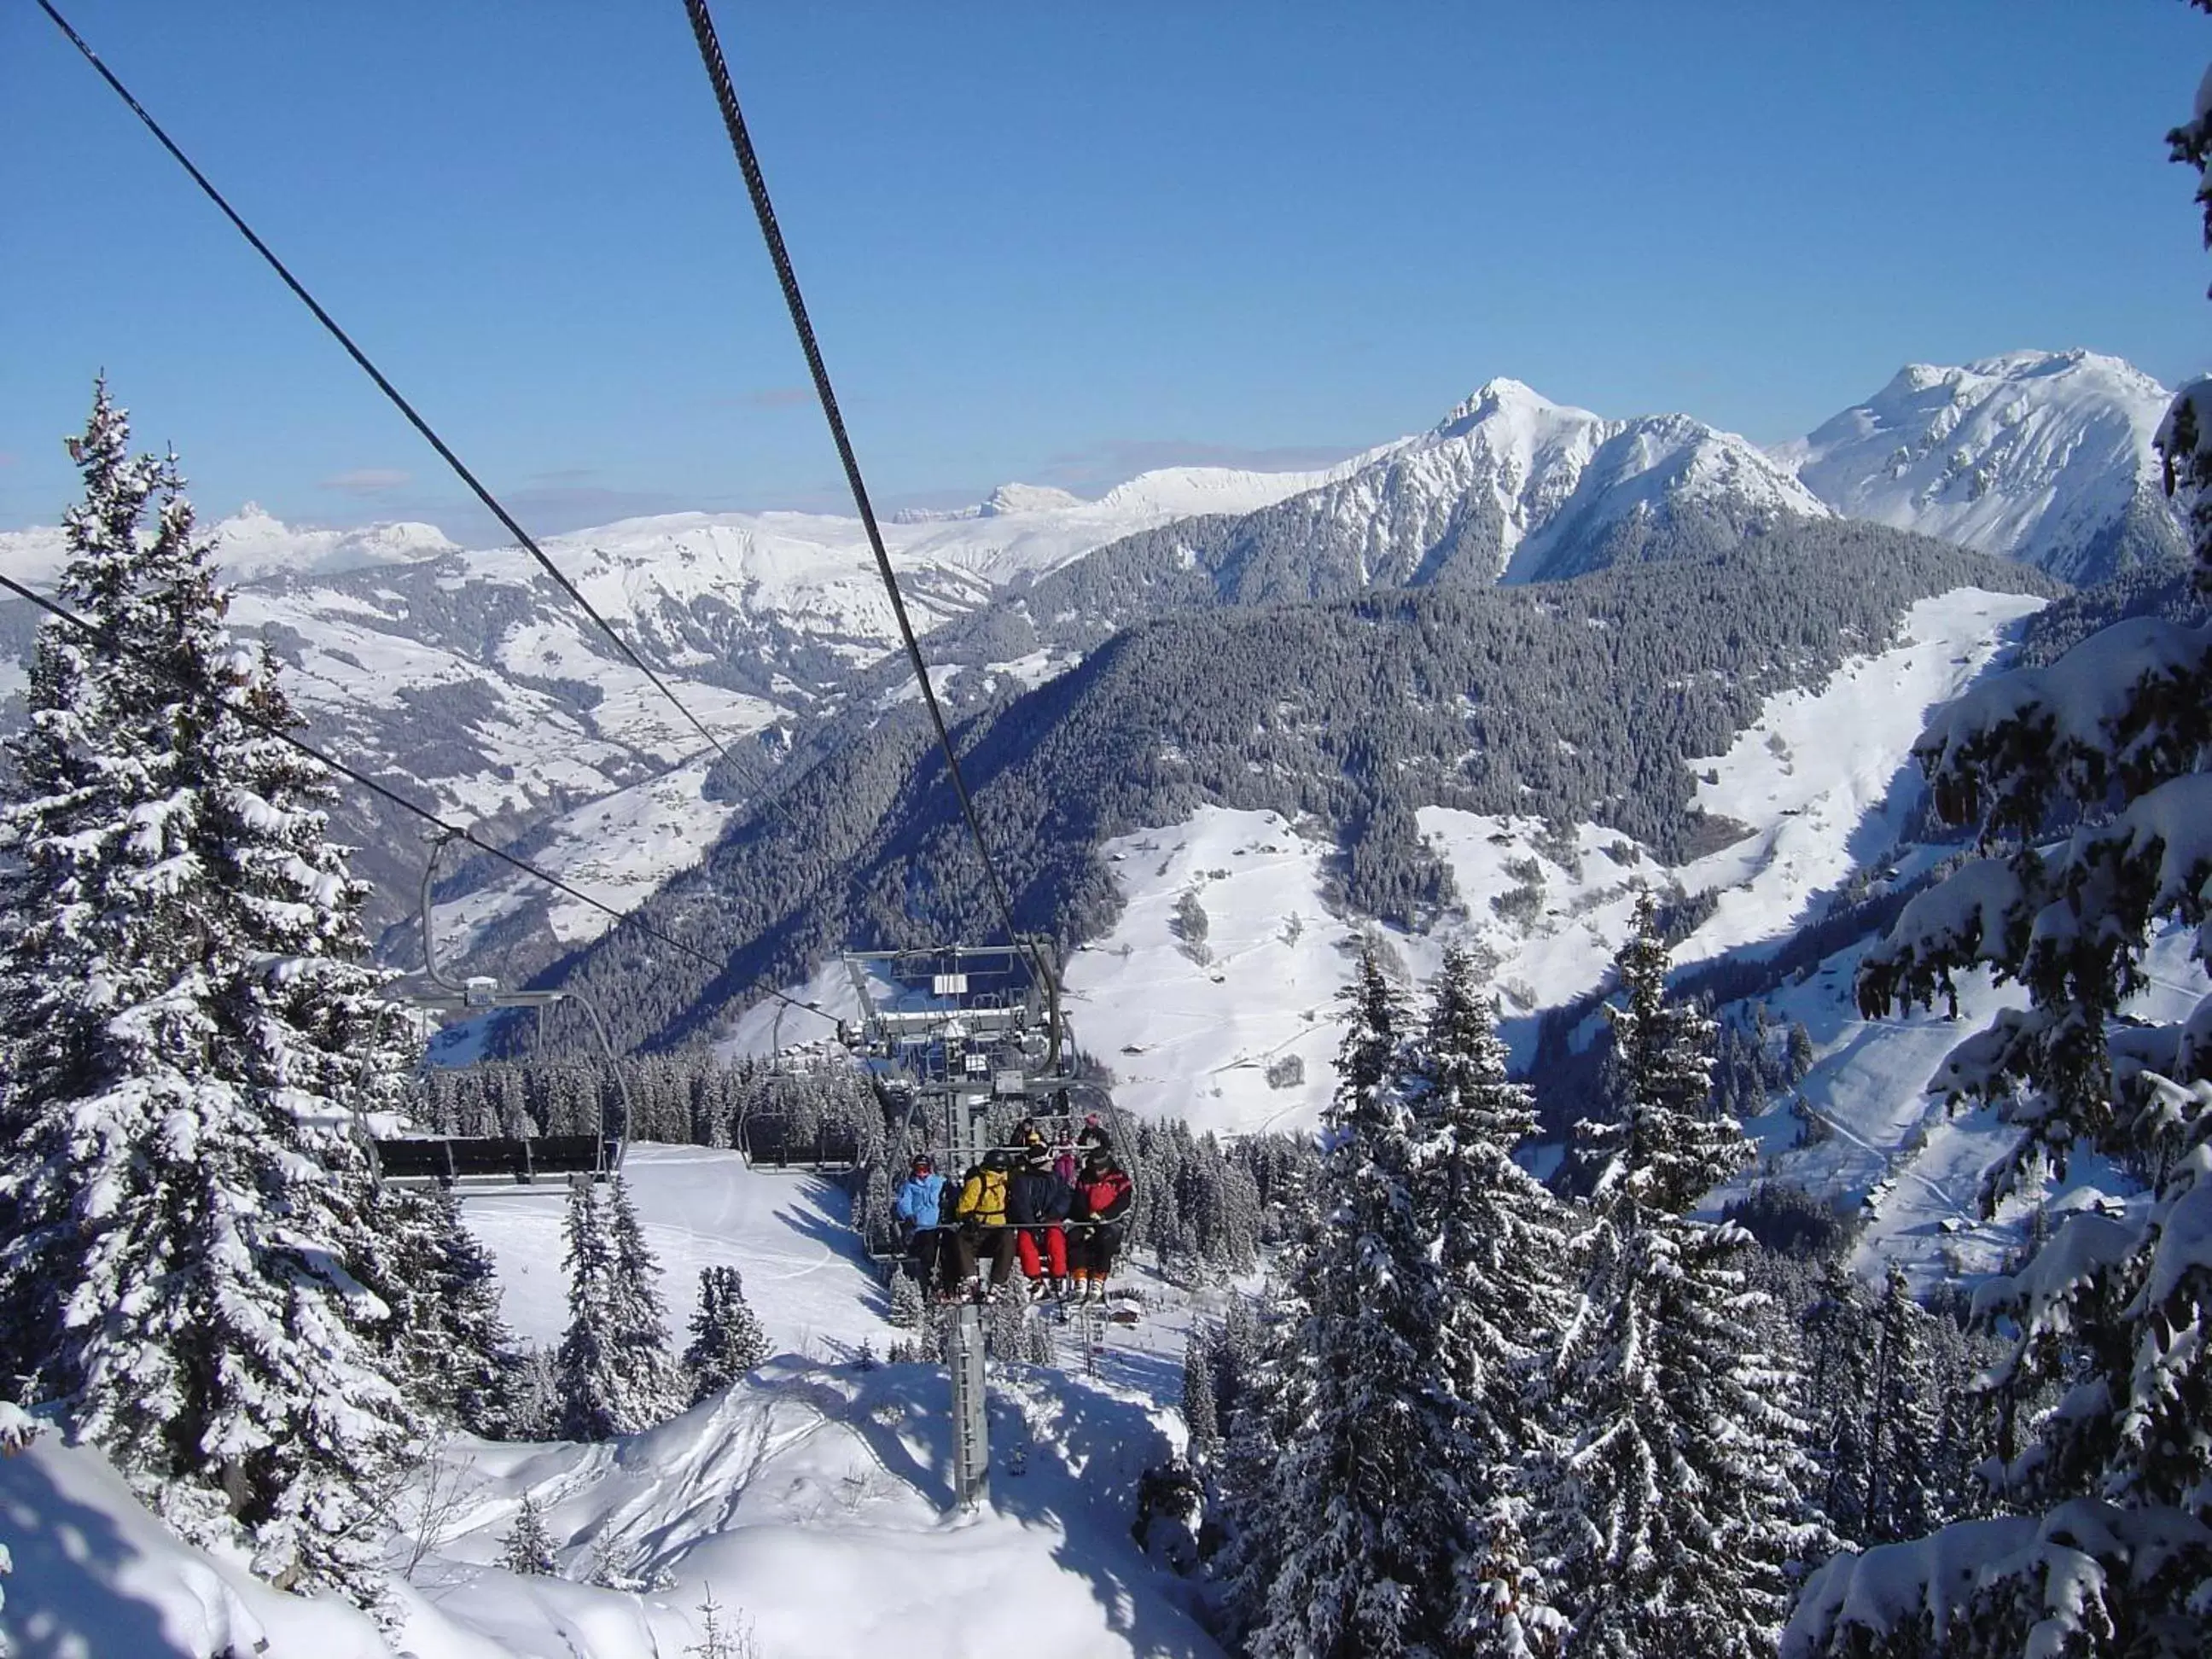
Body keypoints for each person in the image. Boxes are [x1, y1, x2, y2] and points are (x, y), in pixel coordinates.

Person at [1068, 1145, 1133, 1302]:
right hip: (1087, 1219)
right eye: (1095, 1169)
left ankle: (1099, 1277)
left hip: (1110, 1220)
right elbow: (1079, 1198)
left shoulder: (1119, 1178)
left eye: (1100, 1170)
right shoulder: (1086, 1177)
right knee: (1075, 1236)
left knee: (1106, 1238)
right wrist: (1086, 1217)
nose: (1097, 1173)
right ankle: (1079, 1276)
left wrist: (1105, 1215)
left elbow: (1124, 1201)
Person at [950, 1146, 1017, 1299]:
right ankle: (970, 1278)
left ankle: (997, 1282)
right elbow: (965, 1206)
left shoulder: (1006, 1182)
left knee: (1008, 1240)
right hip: (981, 1226)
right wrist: (967, 1217)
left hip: (999, 1226)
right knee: (962, 1238)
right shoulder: (978, 1182)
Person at [1007, 1144, 1073, 1295]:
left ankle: (1058, 1275)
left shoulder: (1055, 1178)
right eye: (1049, 1161)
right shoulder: (1022, 1181)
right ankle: (1035, 1278)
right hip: (1030, 1222)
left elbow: (1065, 1198)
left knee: (1055, 1237)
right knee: (1025, 1241)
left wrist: (1051, 1215)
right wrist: (1032, 1225)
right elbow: (1021, 1204)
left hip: (1050, 1219)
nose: (1052, 1164)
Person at [892, 1154, 950, 1294]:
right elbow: (903, 1202)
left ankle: (952, 1282)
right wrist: (908, 1215)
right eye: (918, 1169)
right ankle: (932, 1279)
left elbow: (951, 1194)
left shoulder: (939, 1182)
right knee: (928, 1247)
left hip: (939, 1226)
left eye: (924, 1168)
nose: (922, 1172)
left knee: (949, 1247)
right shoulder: (909, 1186)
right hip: (920, 1228)